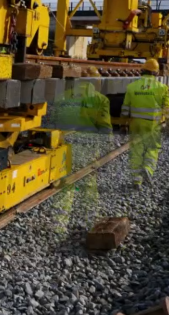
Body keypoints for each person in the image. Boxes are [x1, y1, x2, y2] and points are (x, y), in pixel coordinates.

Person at [50, 66, 113, 230]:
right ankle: (89, 221)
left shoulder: (63, 97)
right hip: (87, 147)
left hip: (65, 145)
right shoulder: (100, 100)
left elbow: (56, 121)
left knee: (65, 183)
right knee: (88, 184)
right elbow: (105, 128)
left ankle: (58, 224)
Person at [121, 58, 169, 188]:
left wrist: (123, 124)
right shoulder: (162, 88)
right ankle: (148, 168)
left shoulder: (132, 87)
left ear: (142, 70)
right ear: (156, 73)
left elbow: (125, 107)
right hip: (153, 125)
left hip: (136, 123)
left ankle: (136, 180)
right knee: (152, 148)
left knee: (136, 150)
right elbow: (167, 109)